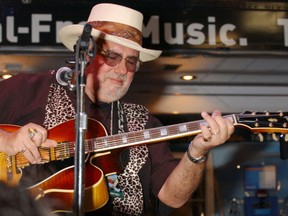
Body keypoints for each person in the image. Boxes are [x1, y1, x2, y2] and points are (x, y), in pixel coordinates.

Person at [0, 3, 234, 216]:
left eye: (131, 61)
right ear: (86, 54)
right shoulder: (30, 89)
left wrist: (198, 151)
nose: (123, 69)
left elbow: (173, 198)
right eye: (112, 56)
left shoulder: (142, 121)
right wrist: (7, 141)